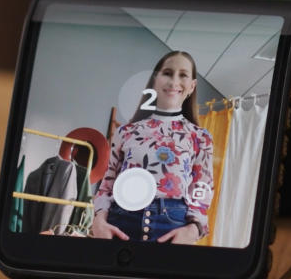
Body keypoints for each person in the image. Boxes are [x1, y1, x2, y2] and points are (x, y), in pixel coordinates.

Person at [91, 51, 214, 244]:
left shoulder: (201, 137)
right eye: (167, 73)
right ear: (155, 80)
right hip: (120, 222)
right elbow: (107, 184)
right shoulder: (125, 132)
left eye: (183, 75)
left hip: (173, 227)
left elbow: (202, 188)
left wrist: (194, 229)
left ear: (192, 86)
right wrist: (98, 220)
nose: (174, 81)